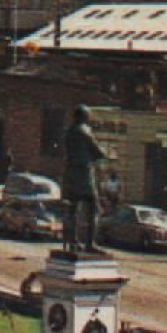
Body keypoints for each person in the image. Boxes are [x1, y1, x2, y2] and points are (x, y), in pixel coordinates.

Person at [60, 105, 106, 252]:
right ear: (85, 117)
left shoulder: (68, 132)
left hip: (70, 175)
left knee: (72, 210)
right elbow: (98, 152)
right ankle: (89, 243)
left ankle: (72, 241)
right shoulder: (86, 131)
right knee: (93, 208)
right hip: (84, 175)